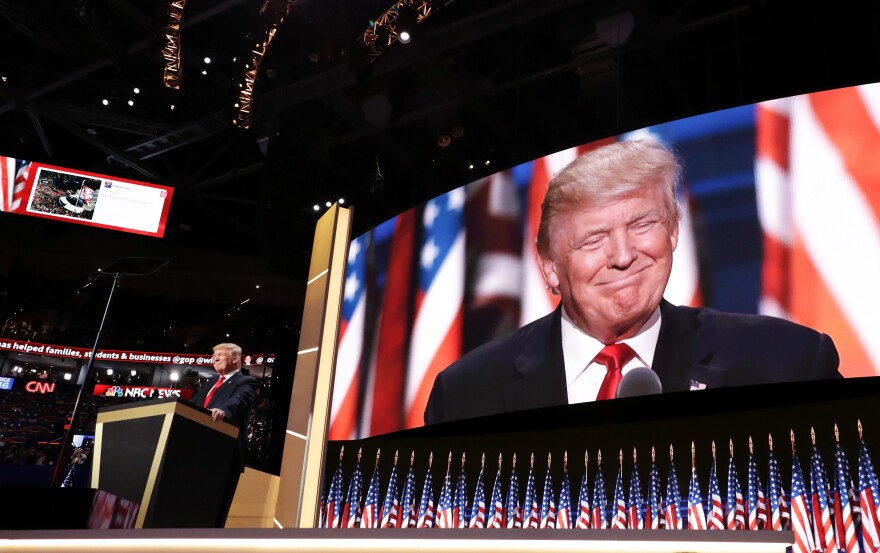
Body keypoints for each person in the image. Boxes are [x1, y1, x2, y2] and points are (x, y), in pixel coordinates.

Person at [424, 139, 840, 425]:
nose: (623, 256)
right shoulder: (465, 396)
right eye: (594, 239)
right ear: (550, 266)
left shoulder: (788, 363)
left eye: (642, 224)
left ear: (674, 230)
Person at [188, 342, 258, 526]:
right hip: (197, 450)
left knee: (212, 509)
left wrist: (223, 410)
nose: (215, 358)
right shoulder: (210, 382)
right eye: (214, 355)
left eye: (220, 354)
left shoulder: (246, 382)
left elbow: (239, 401)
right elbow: (193, 404)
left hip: (223, 453)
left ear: (235, 359)